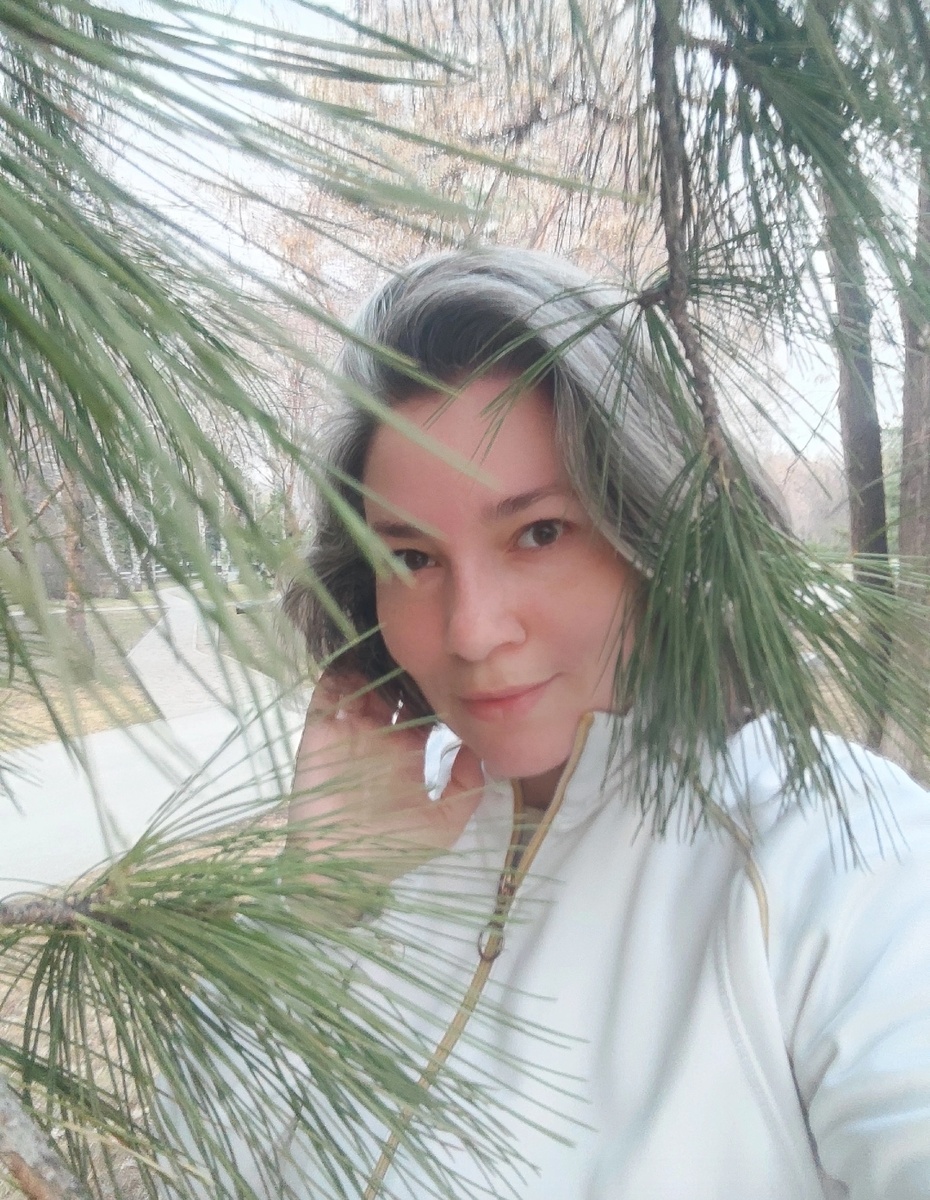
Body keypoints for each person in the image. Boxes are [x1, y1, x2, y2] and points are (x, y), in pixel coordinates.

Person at [284, 247, 930, 1200]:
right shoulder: (389, 845)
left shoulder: (839, 851)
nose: (471, 630)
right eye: (412, 558)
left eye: (539, 533)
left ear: (658, 530)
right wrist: (313, 904)